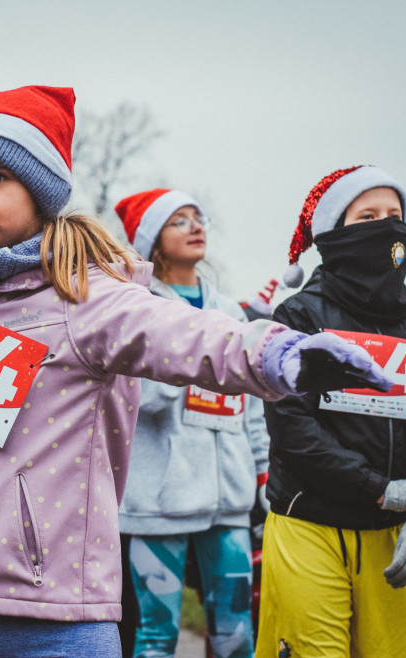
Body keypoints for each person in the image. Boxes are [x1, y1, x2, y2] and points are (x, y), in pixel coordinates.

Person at [0, 85, 391, 656]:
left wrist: (279, 353)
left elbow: (184, 332)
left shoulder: (83, 296)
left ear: (39, 192)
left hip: (55, 610)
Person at [258, 166, 406, 656]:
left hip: (396, 532)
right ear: (332, 234)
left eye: (394, 216)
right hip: (310, 523)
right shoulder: (299, 314)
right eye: (367, 216)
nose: (386, 227)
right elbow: (291, 427)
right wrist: (381, 490)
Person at [113, 189, 268, 657]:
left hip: (230, 504)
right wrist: (194, 354)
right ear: (152, 242)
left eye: (198, 218)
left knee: (237, 635)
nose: (197, 226)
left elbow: (253, 405)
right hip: (158, 503)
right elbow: (138, 400)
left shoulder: (231, 312)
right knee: (155, 638)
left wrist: (263, 473)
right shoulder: (136, 307)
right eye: (179, 221)